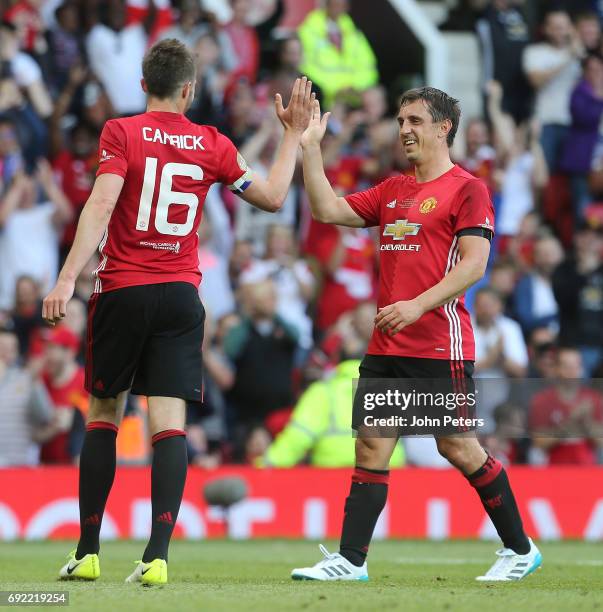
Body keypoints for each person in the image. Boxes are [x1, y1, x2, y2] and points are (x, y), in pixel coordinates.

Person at [42, 39, 314, 585]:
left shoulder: (121, 132)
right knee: (170, 425)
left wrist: (68, 276)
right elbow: (275, 197)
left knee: (104, 413)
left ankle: (89, 550)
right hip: (181, 298)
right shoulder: (212, 143)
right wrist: (291, 136)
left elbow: (101, 202)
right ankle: (158, 556)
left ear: (144, 85)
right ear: (189, 89)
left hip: (122, 291)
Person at [291, 87, 541, 582]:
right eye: (401, 120)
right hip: (388, 344)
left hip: (437, 343)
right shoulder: (391, 190)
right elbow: (327, 212)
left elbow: (474, 266)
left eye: (415, 121)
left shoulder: (468, 189)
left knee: (458, 447)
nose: (404, 129)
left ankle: (520, 549)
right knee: (370, 447)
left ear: (444, 127)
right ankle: (351, 561)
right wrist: (310, 148)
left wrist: (417, 304)